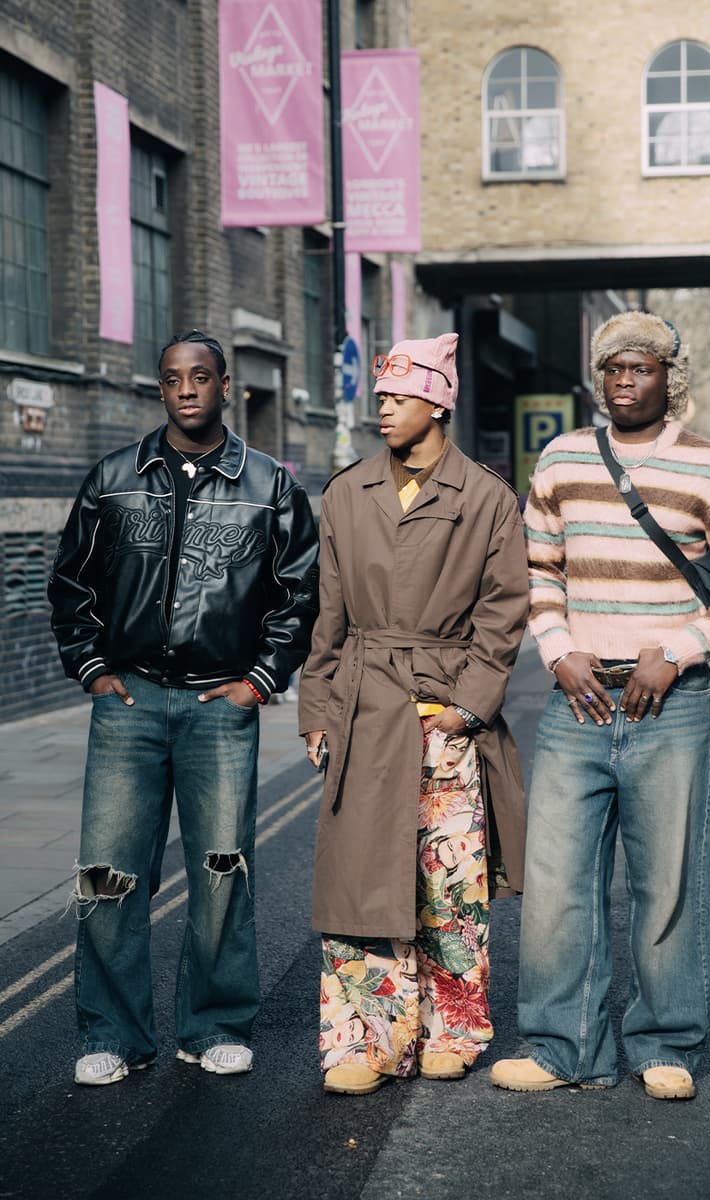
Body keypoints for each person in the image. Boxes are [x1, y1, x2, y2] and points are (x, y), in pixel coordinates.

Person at [490, 311, 710, 1102]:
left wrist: (678, 649)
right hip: (575, 701)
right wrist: (557, 648)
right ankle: (561, 1048)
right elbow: (537, 570)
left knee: (668, 881)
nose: (623, 381)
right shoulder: (563, 459)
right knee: (555, 884)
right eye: (612, 367)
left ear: (667, 377)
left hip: (670, 708)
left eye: (640, 367)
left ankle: (663, 1043)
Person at [49, 330, 319, 1085]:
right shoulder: (113, 477)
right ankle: (112, 1033)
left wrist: (261, 680)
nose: (187, 389)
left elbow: (300, 595)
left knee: (223, 869)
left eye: (201, 377)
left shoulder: (268, 485)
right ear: (160, 390)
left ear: (226, 386)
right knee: (107, 873)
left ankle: (216, 1025)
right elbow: (71, 582)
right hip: (129, 701)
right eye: (173, 379)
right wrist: (94, 669)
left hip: (218, 704)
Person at [298, 333, 529, 1095]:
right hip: (365, 712)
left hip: (445, 718)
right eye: (381, 397)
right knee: (361, 882)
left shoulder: (487, 498)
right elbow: (326, 614)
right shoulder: (346, 492)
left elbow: (502, 615)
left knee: (449, 887)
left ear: (439, 400)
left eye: (398, 396)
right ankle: (363, 1042)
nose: (384, 409)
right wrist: (318, 710)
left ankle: (453, 1029)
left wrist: (465, 708)